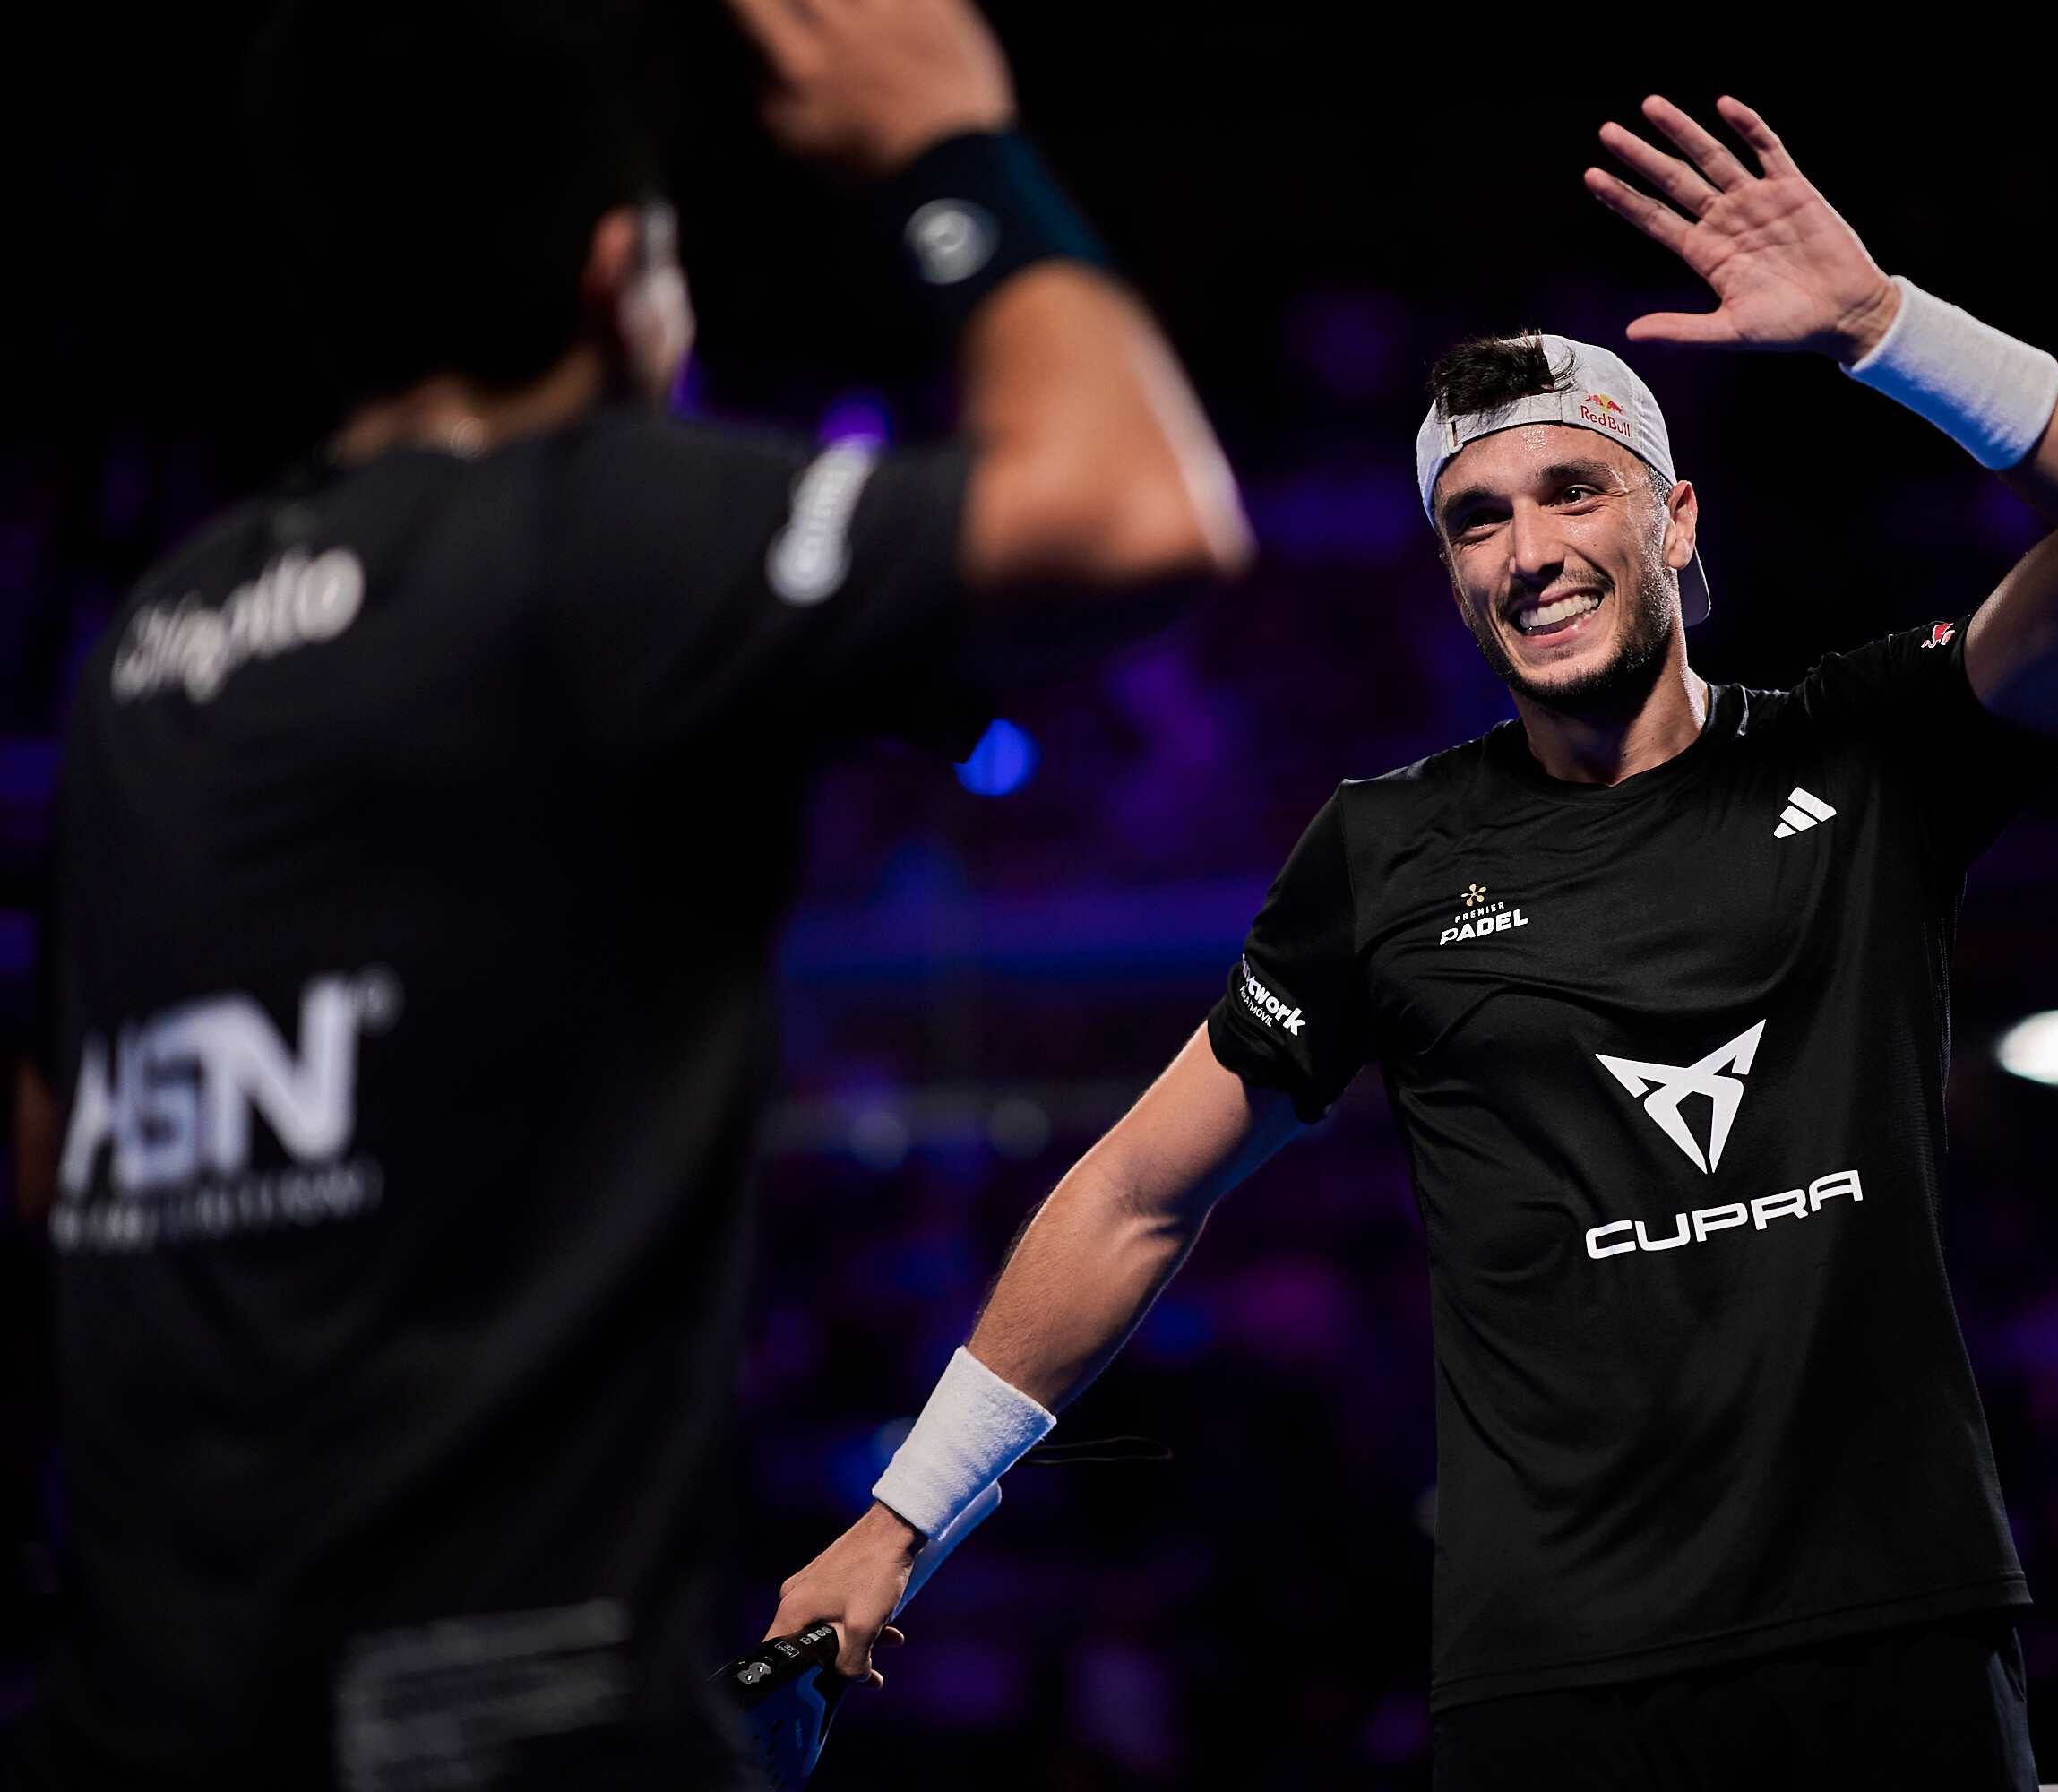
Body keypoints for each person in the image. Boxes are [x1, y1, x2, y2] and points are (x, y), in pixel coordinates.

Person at [770, 93, 2058, 1786]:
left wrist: (1882, 327)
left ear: (1675, 522)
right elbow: (1135, 1194)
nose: (1529, 551)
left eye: (1572, 492)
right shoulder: (1386, 852)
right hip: (1558, 1687)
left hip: (1895, 1638)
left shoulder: (1869, 748)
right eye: (1476, 519)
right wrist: (899, 1520)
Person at [6, 0, 1250, 1783]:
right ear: (619, 278)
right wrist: (953, 153)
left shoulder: (151, 647)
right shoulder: (591, 528)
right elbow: (1142, 513)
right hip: (512, 1726)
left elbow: (56, 1150)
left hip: (151, 1723)